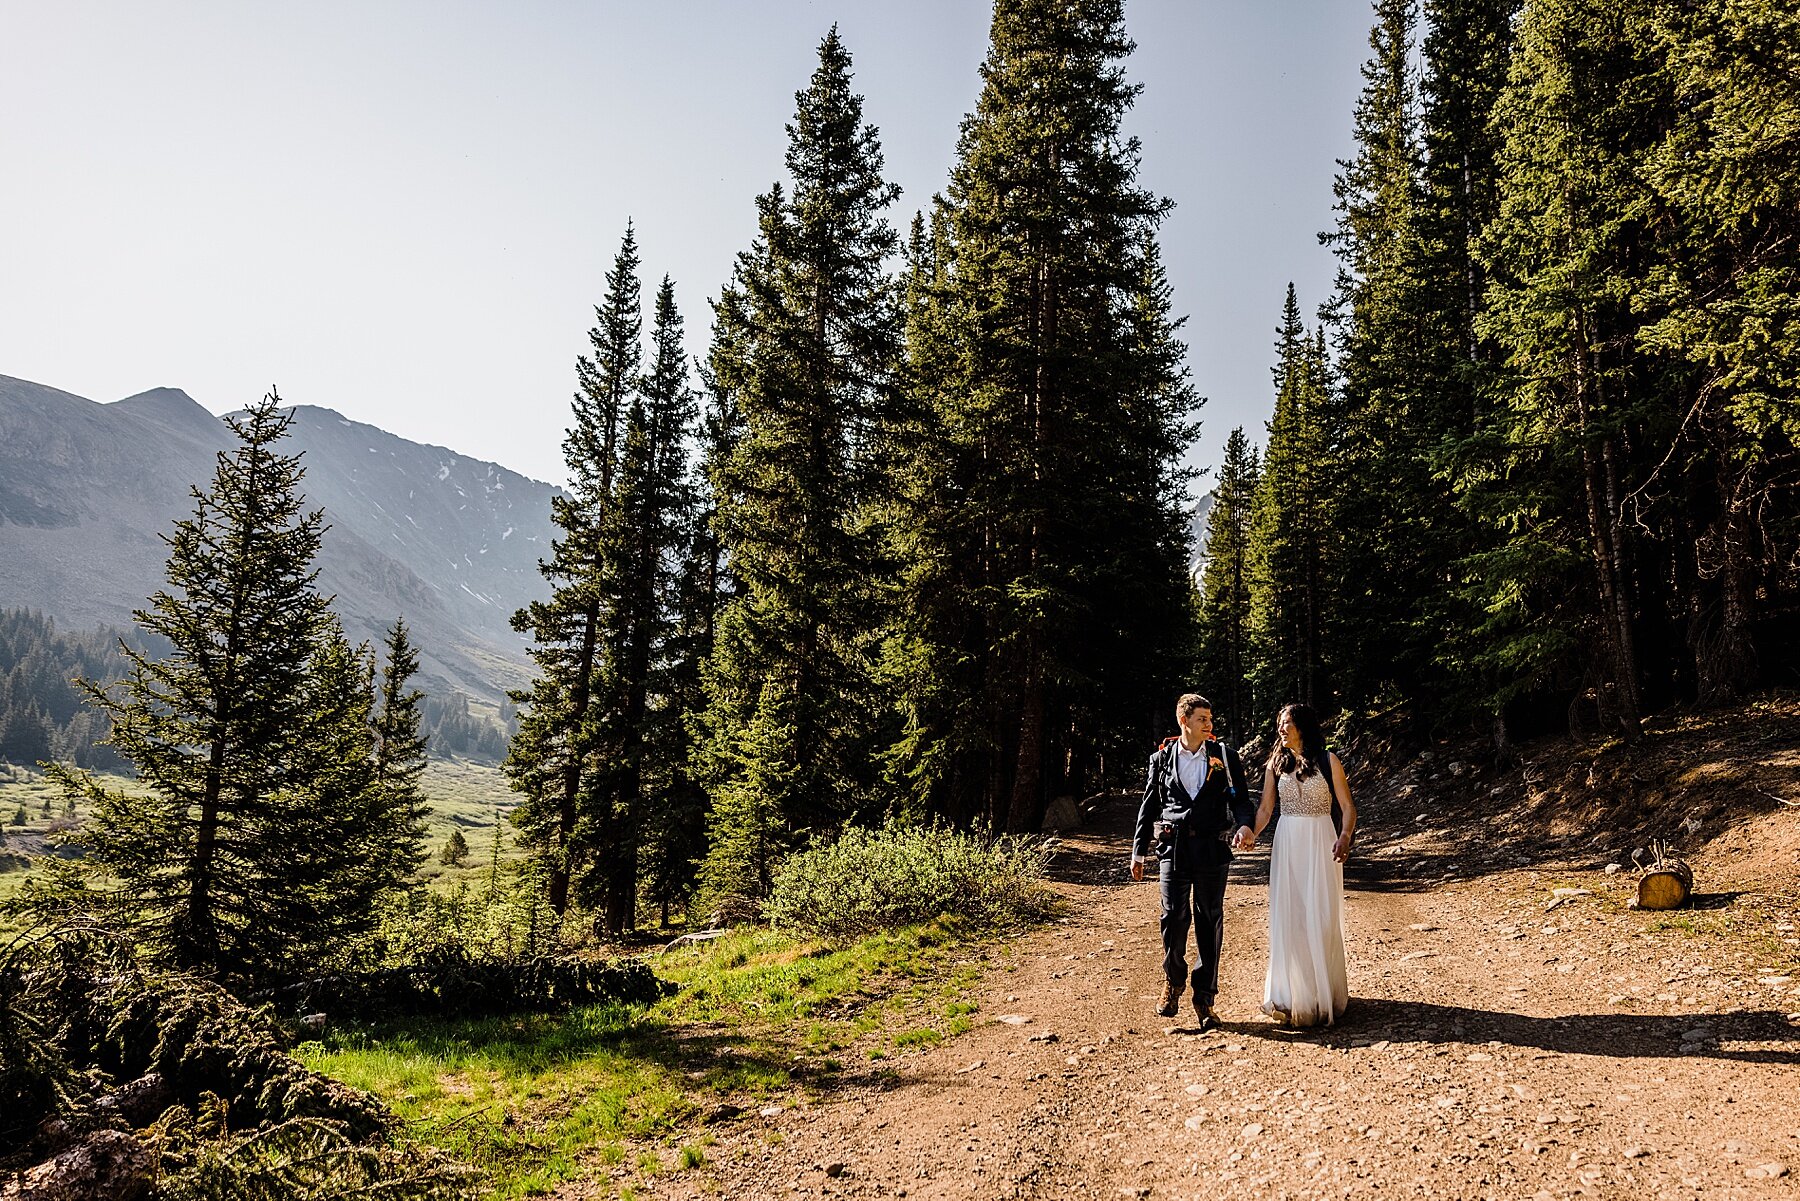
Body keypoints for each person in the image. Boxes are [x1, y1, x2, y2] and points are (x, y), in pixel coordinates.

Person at [1132, 693, 1254, 1029]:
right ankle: (1173, 981)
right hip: (1173, 848)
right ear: (1184, 721)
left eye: (1210, 719)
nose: (1209, 725)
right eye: (1203, 719)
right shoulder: (1161, 759)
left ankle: (1204, 999)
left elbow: (1241, 799)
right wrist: (1138, 851)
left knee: (1210, 918)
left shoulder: (1224, 757)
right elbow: (1148, 807)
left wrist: (1245, 824)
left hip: (1212, 849)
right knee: (1172, 915)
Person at [1234, 702, 1355, 1027]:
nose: (1281, 728)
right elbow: (1265, 810)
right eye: (1280, 723)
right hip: (1288, 842)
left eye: (1287, 723)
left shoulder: (1328, 761)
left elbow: (1347, 807)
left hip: (1320, 840)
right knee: (1292, 916)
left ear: (1303, 726)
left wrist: (1344, 837)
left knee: (1320, 915)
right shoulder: (1275, 764)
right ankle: (1290, 995)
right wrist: (1250, 833)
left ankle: (1320, 994)